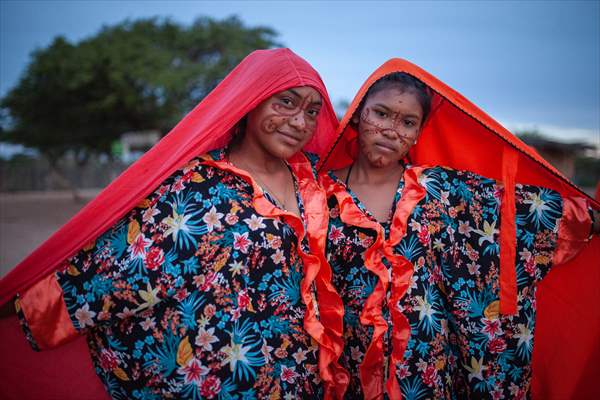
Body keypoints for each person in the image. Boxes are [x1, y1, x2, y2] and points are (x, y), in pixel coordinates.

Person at [0, 48, 347, 400]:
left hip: (300, 381)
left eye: (312, 111)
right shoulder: (195, 186)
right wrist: (28, 311)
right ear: (252, 100)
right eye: (285, 102)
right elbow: (124, 270)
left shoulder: (319, 184)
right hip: (219, 381)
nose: (300, 122)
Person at [319, 62, 599, 399]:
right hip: (347, 374)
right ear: (357, 115)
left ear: (419, 133)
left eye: (408, 122)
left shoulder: (441, 191)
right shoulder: (318, 196)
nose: (392, 130)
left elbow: (527, 210)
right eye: (380, 114)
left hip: (426, 375)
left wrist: (590, 217)